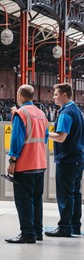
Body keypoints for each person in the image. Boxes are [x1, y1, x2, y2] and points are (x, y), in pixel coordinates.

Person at [4, 84, 49, 244]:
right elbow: (45, 137)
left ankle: (27, 234)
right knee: (36, 199)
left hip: (24, 165)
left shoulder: (20, 113)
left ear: (19, 95)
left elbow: (16, 140)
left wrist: (12, 161)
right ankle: (37, 232)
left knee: (23, 200)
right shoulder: (41, 114)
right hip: (40, 163)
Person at [45, 83, 84, 237]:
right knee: (75, 193)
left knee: (65, 194)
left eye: (55, 94)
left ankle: (64, 227)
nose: (53, 97)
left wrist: (45, 133)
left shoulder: (66, 113)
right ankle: (75, 226)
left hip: (67, 159)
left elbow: (61, 137)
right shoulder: (77, 111)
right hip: (78, 158)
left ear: (64, 95)